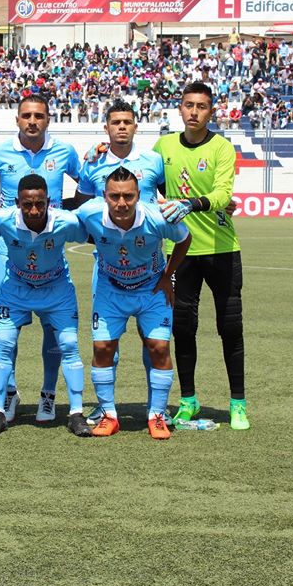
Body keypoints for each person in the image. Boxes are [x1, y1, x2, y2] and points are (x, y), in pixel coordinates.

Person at [0, 93, 80, 424]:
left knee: (54, 330)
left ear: (48, 119)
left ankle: (48, 395)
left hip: (50, 253)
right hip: (7, 254)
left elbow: (88, 187)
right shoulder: (0, 152)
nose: (32, 121)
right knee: (6, 333)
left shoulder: (65, 152)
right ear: (17, 119)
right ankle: (9, 393)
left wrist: (65, 210)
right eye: (26, 115)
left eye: (39, 116)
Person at [153, 81, 250, 430]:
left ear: (212, 111)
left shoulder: (222, 147)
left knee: (230, 327)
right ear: (180, 108)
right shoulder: (163, 146)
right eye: (189, 105)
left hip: (221, 248)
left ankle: (237, 404)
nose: (194, 112)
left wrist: (190, 204)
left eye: (202, 106)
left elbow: (223, 194)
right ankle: (188, 400)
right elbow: (147, 182)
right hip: (179, 251)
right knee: (183, 328)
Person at [76, 167, 191, 440]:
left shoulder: (157, 217)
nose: (121, 203)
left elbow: (185, 239)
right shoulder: (89, 213)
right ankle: (109, 415)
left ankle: (157, 416)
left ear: (139, 195)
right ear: (104, 195)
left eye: (128, 196)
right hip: (110, 289)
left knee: (159, 347)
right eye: (114, 196)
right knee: (102, 348)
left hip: (151, 290)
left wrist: (167, 276)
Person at [0, 174, 91, 437]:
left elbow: (91, 228)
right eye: (27, 204)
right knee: (4, 343)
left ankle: (75, 412)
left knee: (69, 344)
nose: (34, 211)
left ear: (49, 202)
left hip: (56, 289)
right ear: (17, 203)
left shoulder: (65, 222)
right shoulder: (2, 220)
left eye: (40, 204)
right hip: (16, 289)